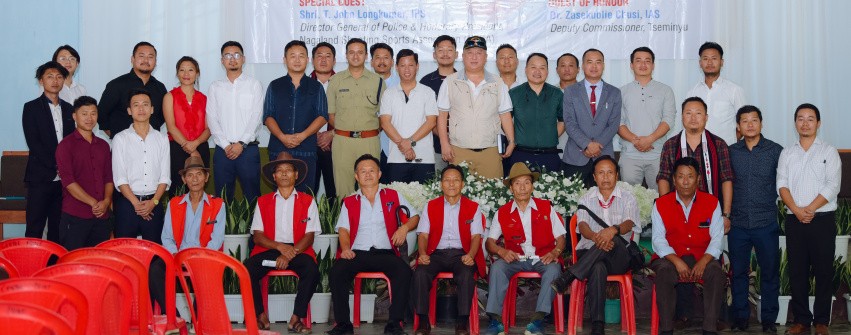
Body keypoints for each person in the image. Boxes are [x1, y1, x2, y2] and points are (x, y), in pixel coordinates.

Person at [656, 97, 732, 327]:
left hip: (709, 212)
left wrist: (726, 214)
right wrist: (668, 206)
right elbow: (663, 177)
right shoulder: (671, 145)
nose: (693, 117)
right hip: (678, 209)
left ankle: (713, 320)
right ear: (682, 117)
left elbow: (727, 179)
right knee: (677, 260)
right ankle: (680, 316)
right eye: (688, 113)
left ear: (706, 117)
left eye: (698, 113)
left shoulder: (718, 144)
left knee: (713, 265)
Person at [325, 154, 420, 335]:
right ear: (356, 176)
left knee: (404, 271)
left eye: (371, 171)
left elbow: (415, 217)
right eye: (363, 171)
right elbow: (343, 229)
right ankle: (343, 324)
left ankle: (394, 323)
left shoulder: (393, 195)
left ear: (379, 174)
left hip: (385, 253)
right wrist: (345, 249)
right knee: (337, 271)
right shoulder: (349, 202)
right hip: (357, 253)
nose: (367, 174)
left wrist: (404, 228)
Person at [551, 156, 640, 335]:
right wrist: (596, 237)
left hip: (619, 257)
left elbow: (629, 223)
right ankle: (598, 326)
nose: (605, 177)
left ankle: (569, 275)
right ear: (594, 176)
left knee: (613, 238)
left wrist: (612, 231)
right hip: (590, 253)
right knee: (598, 267)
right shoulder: (586, 198)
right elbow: (582, 227)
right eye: (601, 173)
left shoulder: (628, 198)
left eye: (610, 173)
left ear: (617, 175)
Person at [777, 104, 840, 335]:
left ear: (818, 123)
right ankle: (802, 319)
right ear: (795, 123)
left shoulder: (829, 151)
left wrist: (810, 209)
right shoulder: (787, 152)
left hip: (822, 219)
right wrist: (796, 209)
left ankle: (822, 320)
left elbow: (833, 185)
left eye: (810, 119)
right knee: (797, 271)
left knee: (823, 270)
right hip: (795, 219)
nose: (805, 123)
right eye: (801, 119)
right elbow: (781, 184)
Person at [483, 162, 567, 335]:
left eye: (526, 182)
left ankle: (537, 320)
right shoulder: (503, 212)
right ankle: (495, 321)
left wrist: (555, 252)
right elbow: (490, 242)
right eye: (517, 183)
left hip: (543, 257)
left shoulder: (546, 208)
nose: (522, 187)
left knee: (553, 270)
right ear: (511, 188)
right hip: (516, 259)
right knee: (498, 267)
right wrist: (501, 251)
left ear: (532, 186)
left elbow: (561, 238)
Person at [244, 152, 320, 332]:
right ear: (274, 176)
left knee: (312, 270)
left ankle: (296, 318)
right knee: (247, 270)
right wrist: (280, 247)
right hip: (268, 250)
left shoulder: (308, 201)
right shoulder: (262, 202)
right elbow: (258, 236)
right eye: (280, 170)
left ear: (296, 175)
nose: (284, 173)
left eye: (289, 170)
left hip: (298, 251)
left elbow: (309, 235)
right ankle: (261, 317)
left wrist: (290, 253)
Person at [651, 157, 726, 335]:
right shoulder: (661, 204)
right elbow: (658, 240)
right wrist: (676, 260)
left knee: (715, 272)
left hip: (702, 257)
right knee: (664, 272)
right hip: (670, 258)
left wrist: (705, 260)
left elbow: (717, 238)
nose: (685, 181)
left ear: (698, 179)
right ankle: (666, 329)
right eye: (681, 176)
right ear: (674, 180)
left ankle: (709, 329)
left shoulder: (712, 202)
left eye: (690, 176)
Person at [727, 105, 783, 333]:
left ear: (761, 123)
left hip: (766, 222)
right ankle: (740, 319)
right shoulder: (731, 151)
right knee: (738, 273)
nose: (750, 124)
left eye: (754, 120)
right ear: (738, 126)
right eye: (745, 120)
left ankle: (769, 319)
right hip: (738, 223)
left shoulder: (776, 150)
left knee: (769, 273)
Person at [412, 165, 485, 335]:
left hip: (462, 254)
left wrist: (471, 255)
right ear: (441, 184)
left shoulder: (473, 207)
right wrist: (423, 254)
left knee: (466, 274)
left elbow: (476, 237)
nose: (451, 184)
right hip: (436, 254)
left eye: (456, 180)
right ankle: (423, 321)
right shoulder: (431, 206)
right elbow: (423, 235)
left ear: (462, 184)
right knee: (421, 273)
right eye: (447, 180)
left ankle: (462, 322)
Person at [155, 156, 226, 315]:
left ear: (206, 177)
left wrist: (200, 256)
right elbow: (167, 237)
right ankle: (173, 316)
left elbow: (217, 239)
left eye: (199, 174)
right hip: (178, 255)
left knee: (206, 269)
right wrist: (176, 255)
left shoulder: (218, 204)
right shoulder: (174, 203)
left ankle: (198, 318)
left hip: (204, 256)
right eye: (190, 175)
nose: (195, 179)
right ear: (183, 179)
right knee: (155, 270)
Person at [437, 36, 515, 179]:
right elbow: (442, 116)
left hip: (490, 150)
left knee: (493, 195)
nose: (474, 57)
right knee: (460, 196)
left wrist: (511, 140)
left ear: (485, 57)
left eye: (479, 53)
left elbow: (505, 114)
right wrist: (444, 143)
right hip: (459, 150)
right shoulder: (450, 82)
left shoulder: (497, 83)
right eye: (470, 53)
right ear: (462, 56)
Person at [264, 40, 329, 193]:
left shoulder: (316, 86)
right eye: (292, 56)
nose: (297, 60)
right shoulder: (275, 85)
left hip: (306, 149)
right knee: (280, 195)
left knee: (305, 196)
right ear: (285, 60)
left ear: (308, 60)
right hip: (279, 148)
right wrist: (282, 136)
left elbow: (322, 115)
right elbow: (268, 116)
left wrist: (302, 136)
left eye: (301, 56)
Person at [22, 61, 75, 242]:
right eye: (50, 77)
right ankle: (30, 266)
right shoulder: (31, 108)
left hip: (64, 181)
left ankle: (54, 267)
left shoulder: (69, 109)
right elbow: (34, 143)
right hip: (40, 177)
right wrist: (57, 165)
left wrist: (65, 169)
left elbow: (71, 144)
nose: (55, 81)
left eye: (59, 77)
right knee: (35, 227)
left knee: (58, 228)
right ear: (41, 81)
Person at [327, 38, 386, 197]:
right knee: (343, 190)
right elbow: (331, 115)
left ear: (366, 56)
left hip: (369, 141)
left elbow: (384, 116)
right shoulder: (335, 81)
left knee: (370, 188)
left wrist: (368, 131)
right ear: (346, 55)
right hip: (343, 142)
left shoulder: (378, 81)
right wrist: (344, 131)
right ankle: (345, 222)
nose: (355, 56)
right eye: (351, 53)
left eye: (360, 52)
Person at [207, 41, 263, 203]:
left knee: (252, 197)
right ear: (222, 60)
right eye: (228, 55)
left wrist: (241, 143)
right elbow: (212, 118)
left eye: (237, 55)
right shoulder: (215, 87)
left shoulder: (254, 85)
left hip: (248, 151)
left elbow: (256, 116)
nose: (233, 59)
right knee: (223, 198)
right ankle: (224, 229)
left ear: (243, 59)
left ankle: (254, 229)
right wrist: (225, 145)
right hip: (222, 152)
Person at [112, 89, 170, 243]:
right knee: (125, 252)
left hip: (154, 203)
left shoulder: (162, 139)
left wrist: (153, 202)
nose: (141, 109)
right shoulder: (120, 139)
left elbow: (164, 177)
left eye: (145, 104)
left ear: (152, 109)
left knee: (155, 254)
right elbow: (120, 178)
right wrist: (136, 204)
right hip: (128, 204)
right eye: (136, 105)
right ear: (129, 111)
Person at [55, 96, 113, 251]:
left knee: (98, 263)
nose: (89, 118)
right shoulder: (65, 146)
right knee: (72, 264)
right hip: (75, 215)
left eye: (93, 113)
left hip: (101, 216)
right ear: (74, 116)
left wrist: (106, 201)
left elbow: (109, 178)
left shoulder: (103, 146)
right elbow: (68, 182)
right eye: (84, 113)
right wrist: (93, 202)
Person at [617, 47, 676, 190]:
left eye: (647, 61)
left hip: (657, 153)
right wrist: (635, 141)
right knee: (629, 198)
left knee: (660, 198)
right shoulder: (621, 91)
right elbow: (618, 122)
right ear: (631, 65)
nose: (643, 65)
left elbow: (668, 119)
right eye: (638, 61)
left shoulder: (665, 90)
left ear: (653, 65)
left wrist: (649, 139)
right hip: (630, 153)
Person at [562, 49, 621, 188]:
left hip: (603, 155)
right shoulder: (571, 91)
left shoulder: (614, 92)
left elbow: (614, 124)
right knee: (571, 200)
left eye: (598, 62)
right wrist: (587, 144)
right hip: (575, 156)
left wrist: (597, 144)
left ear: (603, 65)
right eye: (590, 62)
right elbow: (569, 122)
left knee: (605, 201)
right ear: (582, 66)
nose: (594, 66)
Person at [379, 49, 437, 183]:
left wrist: (409, 142)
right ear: (396, 67)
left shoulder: (427, 92)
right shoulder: (389, 93)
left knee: (423, 201)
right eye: (403, 65)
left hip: (424, 158)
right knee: (398, 201)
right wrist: (404, 145)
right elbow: (385, 123)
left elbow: (431, 122)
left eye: (411, 65)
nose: (407, 69)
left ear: (417, 66)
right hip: (396, 158)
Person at [507, 53, 564, 173]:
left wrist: (550, 135)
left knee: (552, 191)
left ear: (547, 71)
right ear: (526, 70)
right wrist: (513, 138)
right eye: (533, 67)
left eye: (542, 68)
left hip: (550, 155)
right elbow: (505, 119)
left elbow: (563, 120)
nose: (537, 71)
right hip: (521, 155)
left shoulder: (557, 94)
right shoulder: (514, 94)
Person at [163, 56, 211, 195]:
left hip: (201, 147)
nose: (186, 74)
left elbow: (209, 128)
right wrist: (189, 148)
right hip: (177, 148)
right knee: (177, 190)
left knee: (199, 190)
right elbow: (171, 126)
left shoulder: (204, 98)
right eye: (182, 70)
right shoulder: (169, 97)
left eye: (190, 70)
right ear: (177, 73)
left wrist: (195, 144)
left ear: (197, 73)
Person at [98, 41, 167, 138]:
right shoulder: (116, 84)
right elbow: (101, 114)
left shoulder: (160, 88)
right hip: (123, 146)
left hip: (152, 145)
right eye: (141, 56)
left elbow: (162, 117)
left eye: (150, 57)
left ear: (155, 62)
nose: (146, 60)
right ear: (132, 59)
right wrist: (116, 137)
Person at [686, 42, 745, 145]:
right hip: (698, 149)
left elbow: (743, 121)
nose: (709, 63)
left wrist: (730, 144)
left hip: (726, 150)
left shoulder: (734, 90)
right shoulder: (692, 92)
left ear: (721, 62)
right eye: (705, 59)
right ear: (700, 63)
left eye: (714, 58)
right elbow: (687, 123)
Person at [419, 35, 458, 173]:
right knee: (435, 188)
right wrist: (443, 137)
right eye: (441, 50)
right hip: (433, 147)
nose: (445, 54)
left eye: (449, 50)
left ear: (456, 54)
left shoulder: (464, 80)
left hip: (461, 144)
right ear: (434, 55)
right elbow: (423, 116)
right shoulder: (425, 82)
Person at [311, 42, 337, 199]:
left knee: (335, 193)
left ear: (334, 61)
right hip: (309, 146)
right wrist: (313, 135)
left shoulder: (342, 83)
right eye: (319, 56)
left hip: (337, 146)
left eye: (328, 56)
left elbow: (349, 116)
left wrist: (332, 133)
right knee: (308, 191)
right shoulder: (303, 84)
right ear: (312, 60)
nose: (323, 60)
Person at [370, 43, 398, 184]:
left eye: (386, 58)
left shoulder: (402, 85)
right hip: (370, 145)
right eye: (378, 58)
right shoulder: (364, 84)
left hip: (394, 146)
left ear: (392, 62)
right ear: (371, 62)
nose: (382, 62)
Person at [555, 52, 580, 155]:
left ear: (578, 69)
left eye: (571, 65)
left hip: (580, 153)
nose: (567, 69)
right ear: (557, 70)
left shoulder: (587, 93)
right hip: (554, 150)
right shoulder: (549, 93)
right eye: (563, 65)